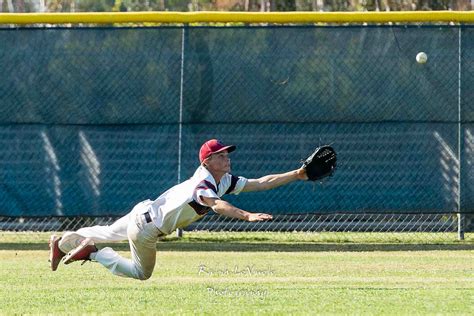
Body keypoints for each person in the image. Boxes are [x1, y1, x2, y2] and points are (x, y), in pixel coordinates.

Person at [49, 139, 308, 280]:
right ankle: (92, 254)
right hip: (147, 230)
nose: (227, 157)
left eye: (227, 153)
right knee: (141, 274)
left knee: (104, 232)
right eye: (221, 155)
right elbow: (217, 205)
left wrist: (296, 174)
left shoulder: (223, 179)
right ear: (207, 161)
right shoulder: (203, 183)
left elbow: (261, 182)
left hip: (143, 211)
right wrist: (247, 215)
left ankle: (60, 243)